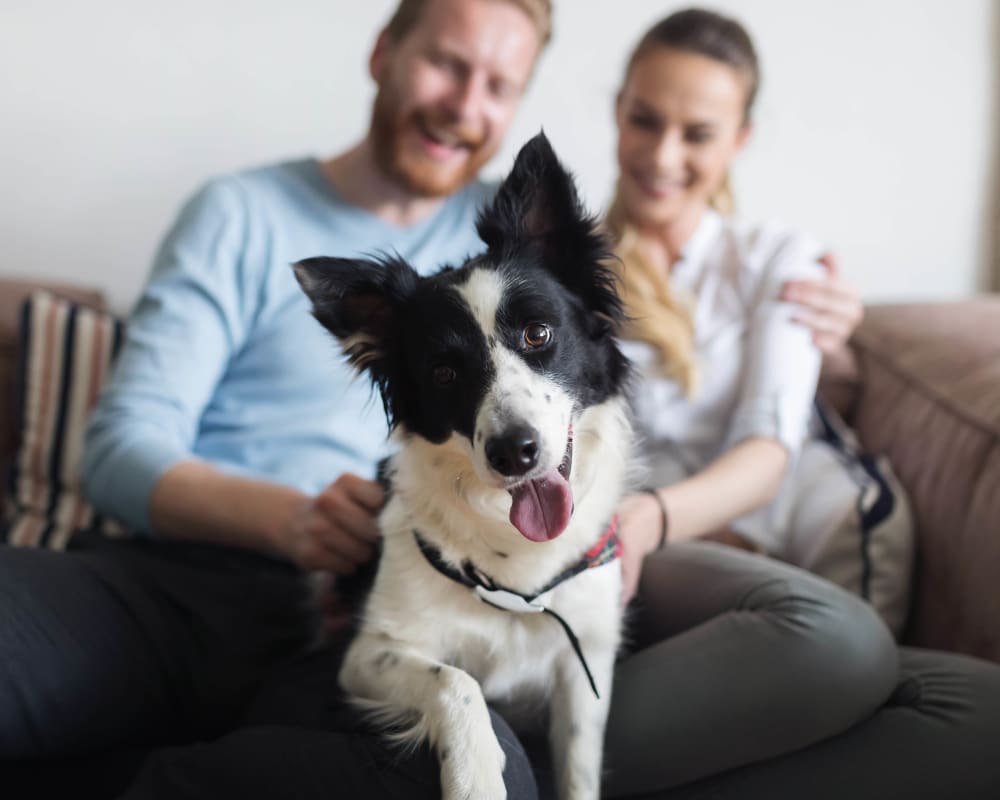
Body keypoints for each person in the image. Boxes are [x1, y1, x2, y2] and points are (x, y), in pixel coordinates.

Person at [0, 2, 891, 799]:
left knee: (482, 772)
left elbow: (619, 288)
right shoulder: (242, 211)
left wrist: (832, 321)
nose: (467, 104)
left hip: (382, 613)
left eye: (499, 83)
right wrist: (290, 522)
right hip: (181, 581)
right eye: (446, 63)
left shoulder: (507, 242)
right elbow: (116, 448)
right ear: (384, 50)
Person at [593, 9, 1000, 799]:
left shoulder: (778, 260)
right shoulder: (565, 273)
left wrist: (653, 515)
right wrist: (639, 525)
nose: (662, 156)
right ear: (618, 110)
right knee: (835, 649)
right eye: (644, 119)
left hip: (693, 533)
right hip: (653, 564)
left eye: (697, 133)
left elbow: (767, 455)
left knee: (983, 709)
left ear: (740, 139)